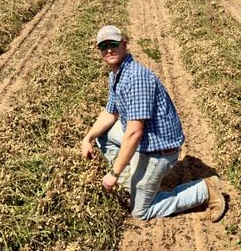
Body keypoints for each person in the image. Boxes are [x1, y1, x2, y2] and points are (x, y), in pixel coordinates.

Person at [80, 25, 227, 222]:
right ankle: (135, 182)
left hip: (158, 150)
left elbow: (134, 133)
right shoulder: (116, 74)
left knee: (141, 212)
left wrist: (114, 173)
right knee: (103, 134)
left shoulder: (135, 78)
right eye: (103, 46)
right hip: (142, 140)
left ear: (124, 45)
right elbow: (110, 112)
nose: (109, 50)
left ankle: (204, 190)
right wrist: (87, 138)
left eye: (113, 44)